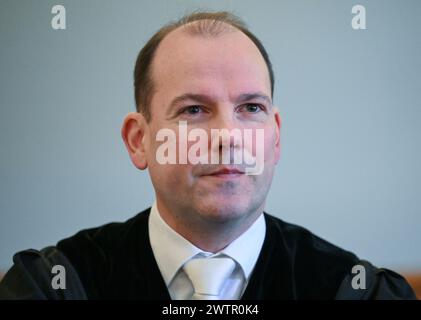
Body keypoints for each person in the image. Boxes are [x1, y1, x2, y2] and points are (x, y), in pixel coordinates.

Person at [0, 11, 415, 300]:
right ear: (138, 141)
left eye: (251, 108)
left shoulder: (354, 290)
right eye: (194, 110)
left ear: (274, 137)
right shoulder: (55, 286)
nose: (227, 136)